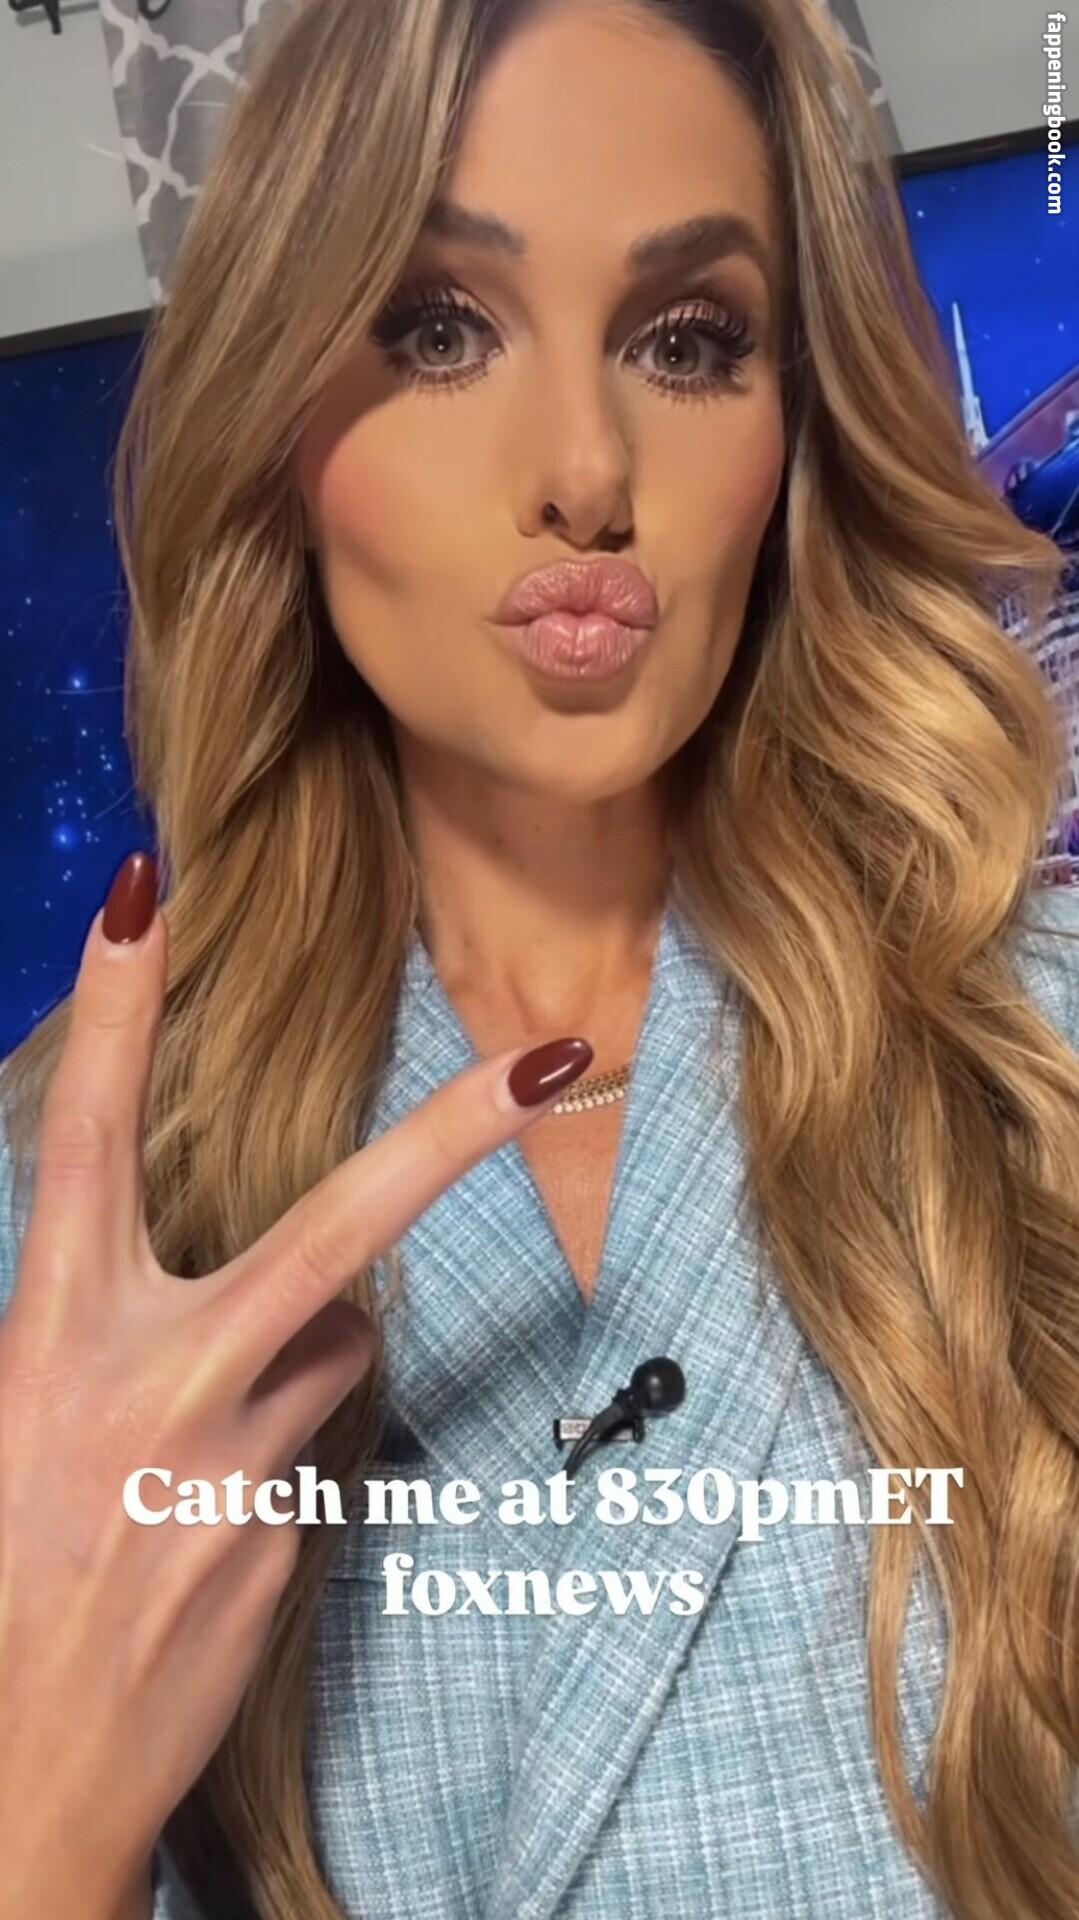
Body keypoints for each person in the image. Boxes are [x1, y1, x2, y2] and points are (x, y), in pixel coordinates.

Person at [1, 0, 1078, 1916]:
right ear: (280, 417)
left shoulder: (1045, 1060)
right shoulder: (56, 1235)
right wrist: (45, 1803)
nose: (585, 469)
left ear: (796, 429)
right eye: (437, 328)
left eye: (690, 342)